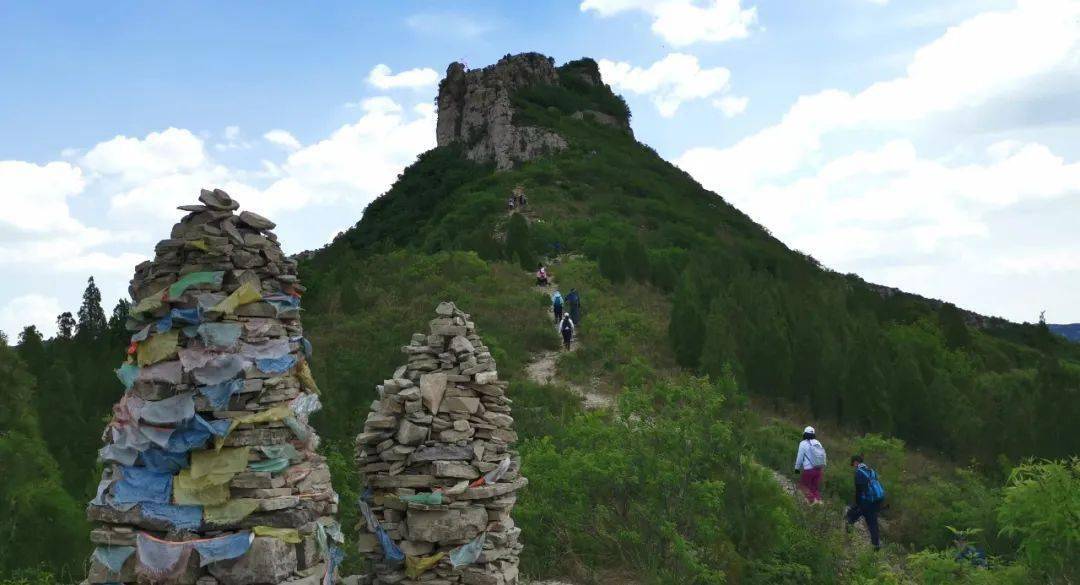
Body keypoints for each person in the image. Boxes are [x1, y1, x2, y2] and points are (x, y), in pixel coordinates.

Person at [846, 454, 884, 550]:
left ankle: (848, 538)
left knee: (852, 515)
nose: (853, 466)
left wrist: (857, 504)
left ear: (856, 462)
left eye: (853, 464)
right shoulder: (872, 471)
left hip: (866, 502)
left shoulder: (859, 472)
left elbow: (859, 491)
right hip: (876, 500)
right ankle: (876, 545)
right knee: (873, 522)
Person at [793, 426, 826, 504]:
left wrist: (797, 468)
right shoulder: (818, 442)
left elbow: (800, 457)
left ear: (804, 434)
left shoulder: (803, 443)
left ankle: (813, 503)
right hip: (818, 469)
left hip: (809, 470)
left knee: (804, 486)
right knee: (814, 488)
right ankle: (819, 502)